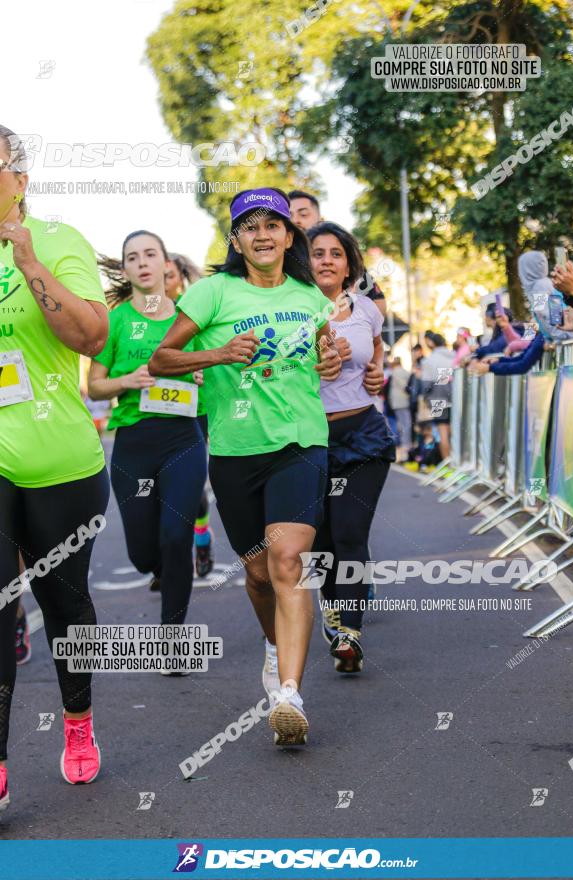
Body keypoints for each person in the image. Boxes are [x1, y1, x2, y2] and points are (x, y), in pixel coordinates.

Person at [149, 187, 342, 745]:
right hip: (236, 450)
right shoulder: (212, 293)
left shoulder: (310, 296)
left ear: (289, 236)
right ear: (235, 240)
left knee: (289, 562)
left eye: (273, 225)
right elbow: (162, 359)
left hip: (302, 442)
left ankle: (289, 693)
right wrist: (219, 354)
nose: (262, 234)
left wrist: (332, 357)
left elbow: (326, 356)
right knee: (258, 573)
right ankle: (274, 645)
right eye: (250, 226)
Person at [0, 126, 110, 807]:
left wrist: (29, 261)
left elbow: (89, 335)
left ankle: (76, 719)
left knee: (64, 606)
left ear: (20, 175)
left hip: (59, 460)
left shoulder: (57, 240)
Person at [88, 231, 207, 655]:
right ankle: (166, 568)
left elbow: (215, 374)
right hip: (134, 443)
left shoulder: (190, 317)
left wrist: (200, 374)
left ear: (164, 265)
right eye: (132, 258)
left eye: (150, 255)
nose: (142, 263)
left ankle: (173, 640)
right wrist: (128, 380)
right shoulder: (115, 320)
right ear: (125, 270)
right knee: (143, 553)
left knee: (177, 536)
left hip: (182, 439)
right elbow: (95, 386)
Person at [307, 221, 395, 672]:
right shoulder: (289, 310)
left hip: (361, 434)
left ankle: (350, 634)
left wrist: (377, 373)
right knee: (320, 540)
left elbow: (377, 351)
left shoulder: (366, 310)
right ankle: (333, 610)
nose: (326, 260)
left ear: (348, 265)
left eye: (335, 253)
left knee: (349, 533)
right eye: (317, 252)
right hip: (307, 441)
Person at [164, 254, 213, 578]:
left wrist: (201, 372)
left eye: (169, 275)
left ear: (180, 278)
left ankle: (202, 538)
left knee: (192, 489)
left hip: (195, 410)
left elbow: (214, 352)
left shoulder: (194, 311)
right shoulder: (136, 314)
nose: (163, 281)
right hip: (153, 413)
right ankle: (164, 560)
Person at [288, 188, 387, 317]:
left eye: (304, 214)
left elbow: (378, 302)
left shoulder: (343, 261)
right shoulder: (278, 261)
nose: (296, 221)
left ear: (320, 220)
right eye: (289, 216)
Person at [421, 332, 454, 460]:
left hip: (437, 399)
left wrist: (425, 397)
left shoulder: (430, 360)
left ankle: (447, 464)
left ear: (432, 343)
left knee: (442, 432)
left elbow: (427, 385)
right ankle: (457, 462)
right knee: (453, 432)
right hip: (455, 398)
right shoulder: (454, 356)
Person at [387, 357, 412, 462]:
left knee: (400, 423)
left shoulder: (393, 373)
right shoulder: (405, 372)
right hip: (404, 400)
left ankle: (402, 446)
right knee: (406, 423)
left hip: (396, 402)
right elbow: (406, 386)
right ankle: (406, 445)